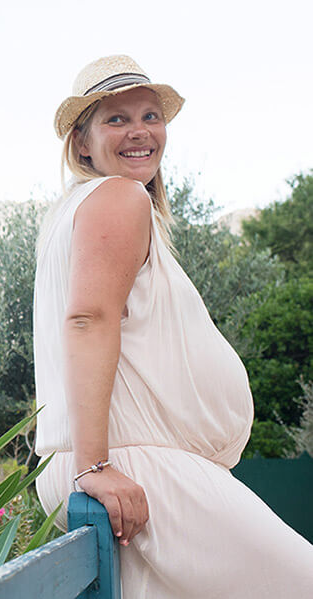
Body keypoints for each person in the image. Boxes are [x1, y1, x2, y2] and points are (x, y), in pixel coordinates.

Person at [32, 55, 313, 598]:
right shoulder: (117, 197)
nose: (140, 132)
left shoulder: (73, 213)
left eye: (149, 116)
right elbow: (89, 320)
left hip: (121, 465)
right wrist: (95, 464)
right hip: (135, 465)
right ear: (82, 142)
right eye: (116, 119)